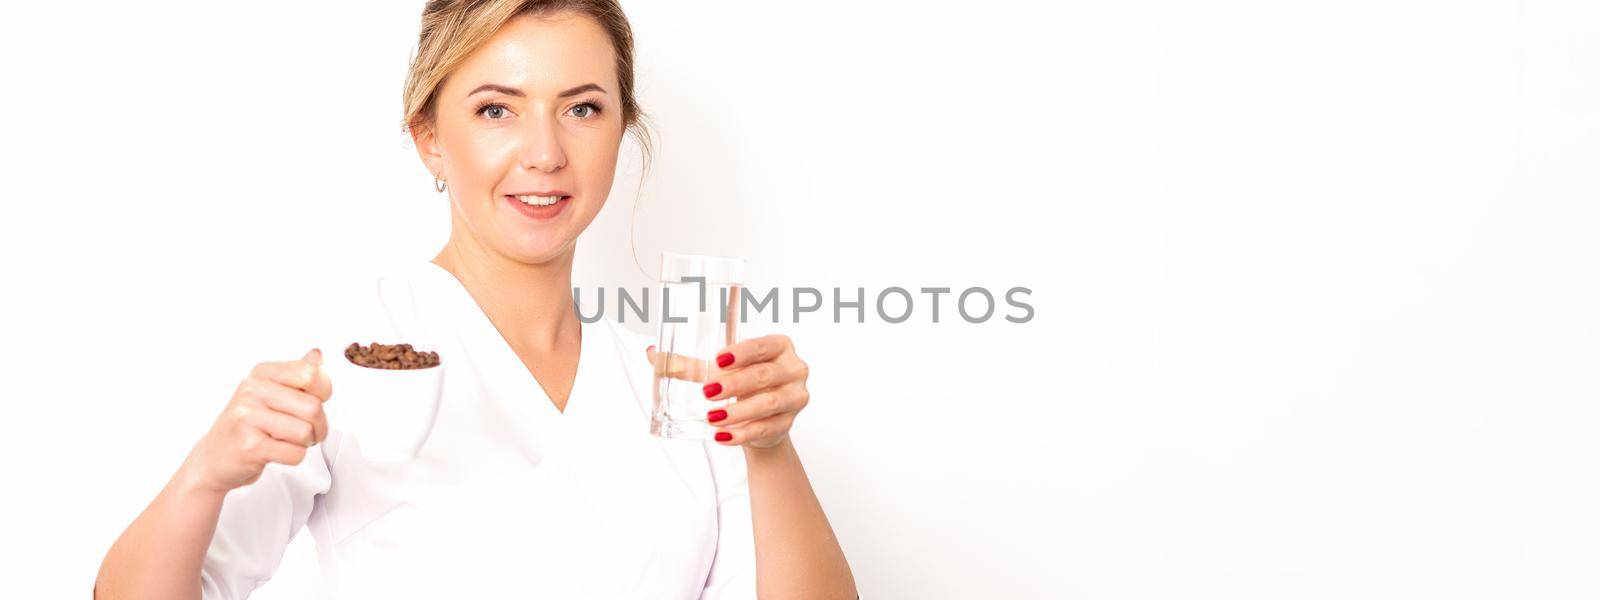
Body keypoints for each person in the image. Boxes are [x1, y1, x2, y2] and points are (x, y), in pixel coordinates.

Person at [93, 1, 858, 598]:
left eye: (583, 108)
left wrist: (769, 447)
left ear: (622, 128)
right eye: (497, 109)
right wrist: (207, 472)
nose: (546, 152)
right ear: (428, 136)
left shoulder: (678, 385)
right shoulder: (353, 357)